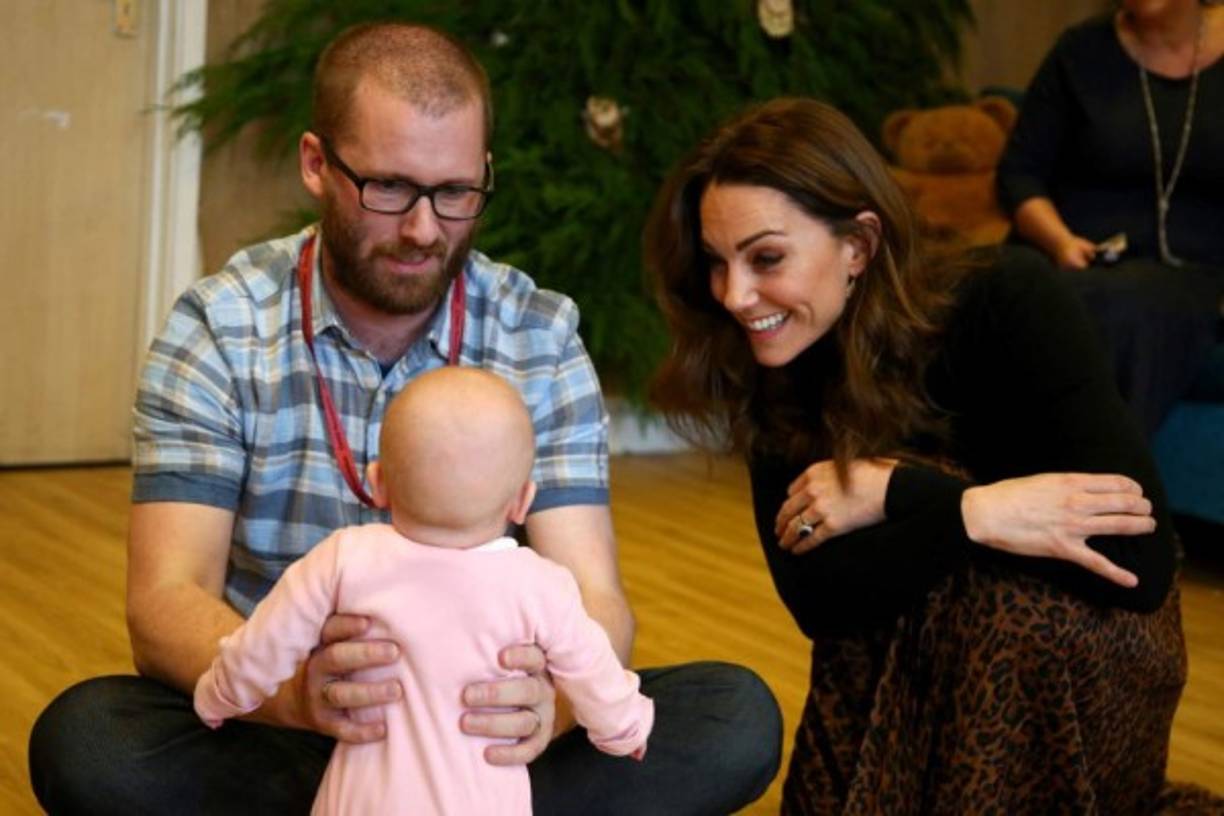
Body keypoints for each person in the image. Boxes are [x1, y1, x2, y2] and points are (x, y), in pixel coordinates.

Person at [28, 21, 780, 816]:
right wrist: (297, 697)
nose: (424, 229)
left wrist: (551, 712)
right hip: (279, 721)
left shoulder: (538, 334)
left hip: (480, 745)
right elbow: (166, 598)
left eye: (456, 194)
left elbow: (594, 595)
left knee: (734, 715)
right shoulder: (221, 326)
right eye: (389, 188)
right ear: (317, 163)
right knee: (89, 741)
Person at [644, 97, 1222, 813]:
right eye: (715, 262)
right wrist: (973, 511)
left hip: (1077, 669)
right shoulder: (771, 364)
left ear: (858, 244)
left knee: (999, 609)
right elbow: (819, 601)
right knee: (908, 595)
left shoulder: (1006, 296)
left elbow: (1141, 569)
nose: (734, 295)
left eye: (766, 258)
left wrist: (899, 496)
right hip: (901, 679)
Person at [193, 367, 654, 815]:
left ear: (377, 484)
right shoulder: (540, 583)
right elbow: (596, 676)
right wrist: (627, 729)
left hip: (359, 799)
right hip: (483, 799)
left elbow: (262, 647)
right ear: (522, 501)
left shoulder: (342, 558)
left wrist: (220, 695)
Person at [996, 0, 1224, 437]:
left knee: (1131, 304)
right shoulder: (1080, 51)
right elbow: (1020, 173)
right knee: (1010, 291)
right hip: (1075, 258)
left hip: (1191, 274)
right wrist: (1060, 241)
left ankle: (1096, 483)